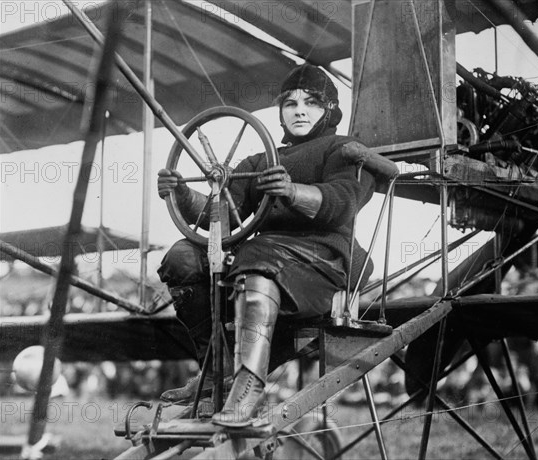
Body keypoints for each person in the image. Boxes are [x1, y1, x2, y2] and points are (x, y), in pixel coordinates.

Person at [157, 64, 376, 427]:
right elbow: (223, 215)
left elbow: (342, 202)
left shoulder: (344, 150)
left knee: (257, 254)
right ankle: (215, 372)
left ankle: (247, 388)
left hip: (323, 265)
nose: (299, 110)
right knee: (182, 256)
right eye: (290, 103)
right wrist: (181, 192)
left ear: (331, 110)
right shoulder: (260, 161)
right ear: (280, 112)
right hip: (263, 261)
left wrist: (292, 191)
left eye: (311, 102)